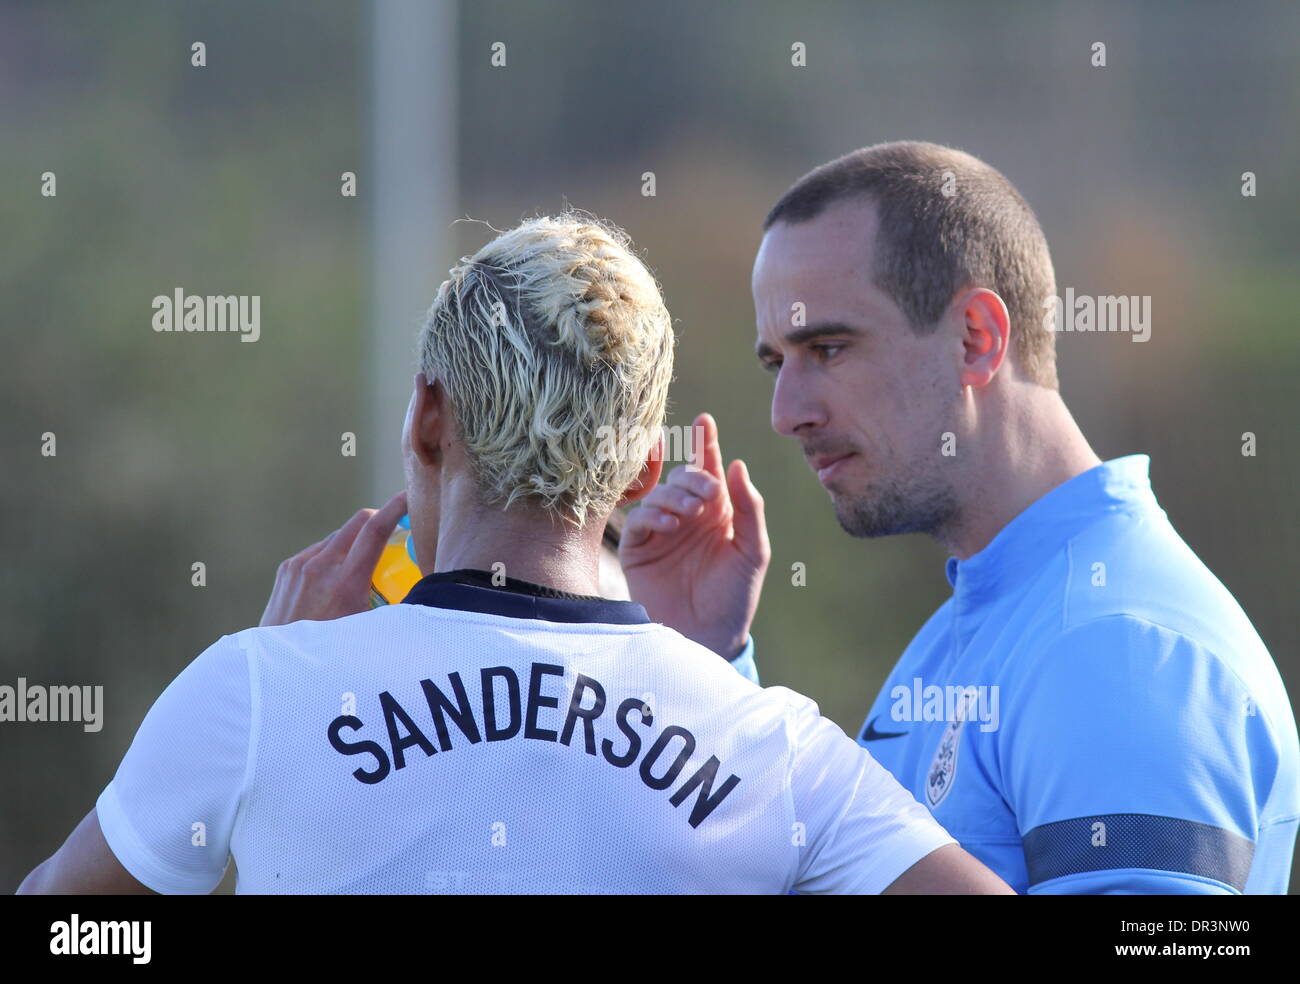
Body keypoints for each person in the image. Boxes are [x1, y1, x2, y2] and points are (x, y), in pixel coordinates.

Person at [19, 211, 1009, 895]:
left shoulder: (255, 689)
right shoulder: (770, 746)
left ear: (428, 417)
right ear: (633, 471)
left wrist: (280, 691)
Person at [619, 142, 1300, 894]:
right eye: (777, 362)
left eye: (829, 347)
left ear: (976, 338)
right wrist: (711, 665)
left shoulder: (1116, 645)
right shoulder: (992, 616)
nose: (787, 413)